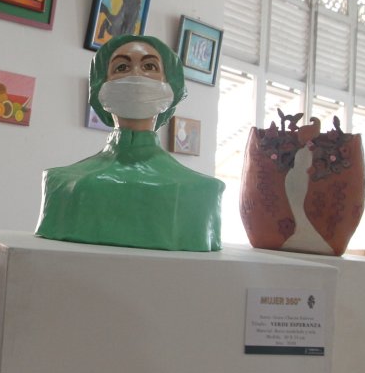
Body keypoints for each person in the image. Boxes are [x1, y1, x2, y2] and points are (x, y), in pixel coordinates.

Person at [34, 34, 225, 251]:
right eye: (122, 67)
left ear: (171, 86)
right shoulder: (64, 182)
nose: (136, 74)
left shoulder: (200, 190)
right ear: (100, 86)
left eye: (150, 66)